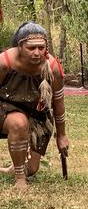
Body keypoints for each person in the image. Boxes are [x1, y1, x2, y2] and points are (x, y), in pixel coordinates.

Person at [0, 22, 69, 188]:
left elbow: (58, 102)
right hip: (5, 108)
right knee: (19, 122)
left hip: (36, 113)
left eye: (41, 47)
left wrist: (61, 135)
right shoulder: (4, 63)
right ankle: (20, 180)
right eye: (31, 48)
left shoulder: (52, 68)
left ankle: (15, 170)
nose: (37, 53)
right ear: (20, 46)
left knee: (31, 168)